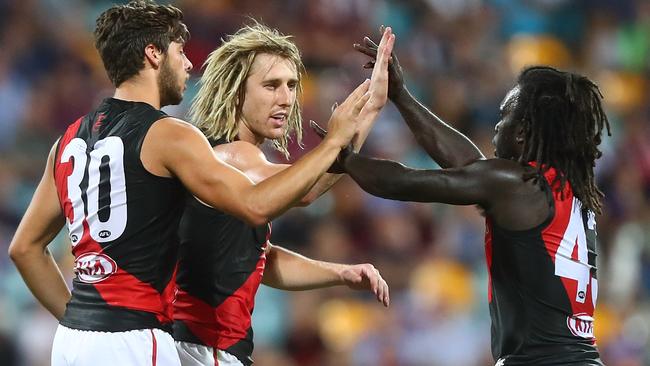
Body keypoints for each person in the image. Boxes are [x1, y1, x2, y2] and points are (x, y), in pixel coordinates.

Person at [7, 1, 372, 365]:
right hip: (136, 337)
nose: (188, 64)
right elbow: (255, 205)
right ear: (153, 54)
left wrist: (81, 322)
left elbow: (24, 248)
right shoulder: (169, 135)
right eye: (180, 52)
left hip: (72, 343)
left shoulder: (67, 141)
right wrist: (336, 141)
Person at [339, 36, 610, 365]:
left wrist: (344, 158)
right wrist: (402, 96)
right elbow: (469, 165)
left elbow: (403, 182)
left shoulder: (514, 184)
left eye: (503, 116)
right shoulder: (566, 192)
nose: (496, 128)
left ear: (522, 132)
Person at [172, 23, 394, 366]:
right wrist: (359, 121)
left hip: (203, 347)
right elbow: (309, 189)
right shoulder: (232, 156)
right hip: (202, 348)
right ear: (236, 92)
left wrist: (341, 274)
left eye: (291, 85)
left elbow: (258, 260)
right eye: (271, 85)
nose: (286, 98)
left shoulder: (222, 156)